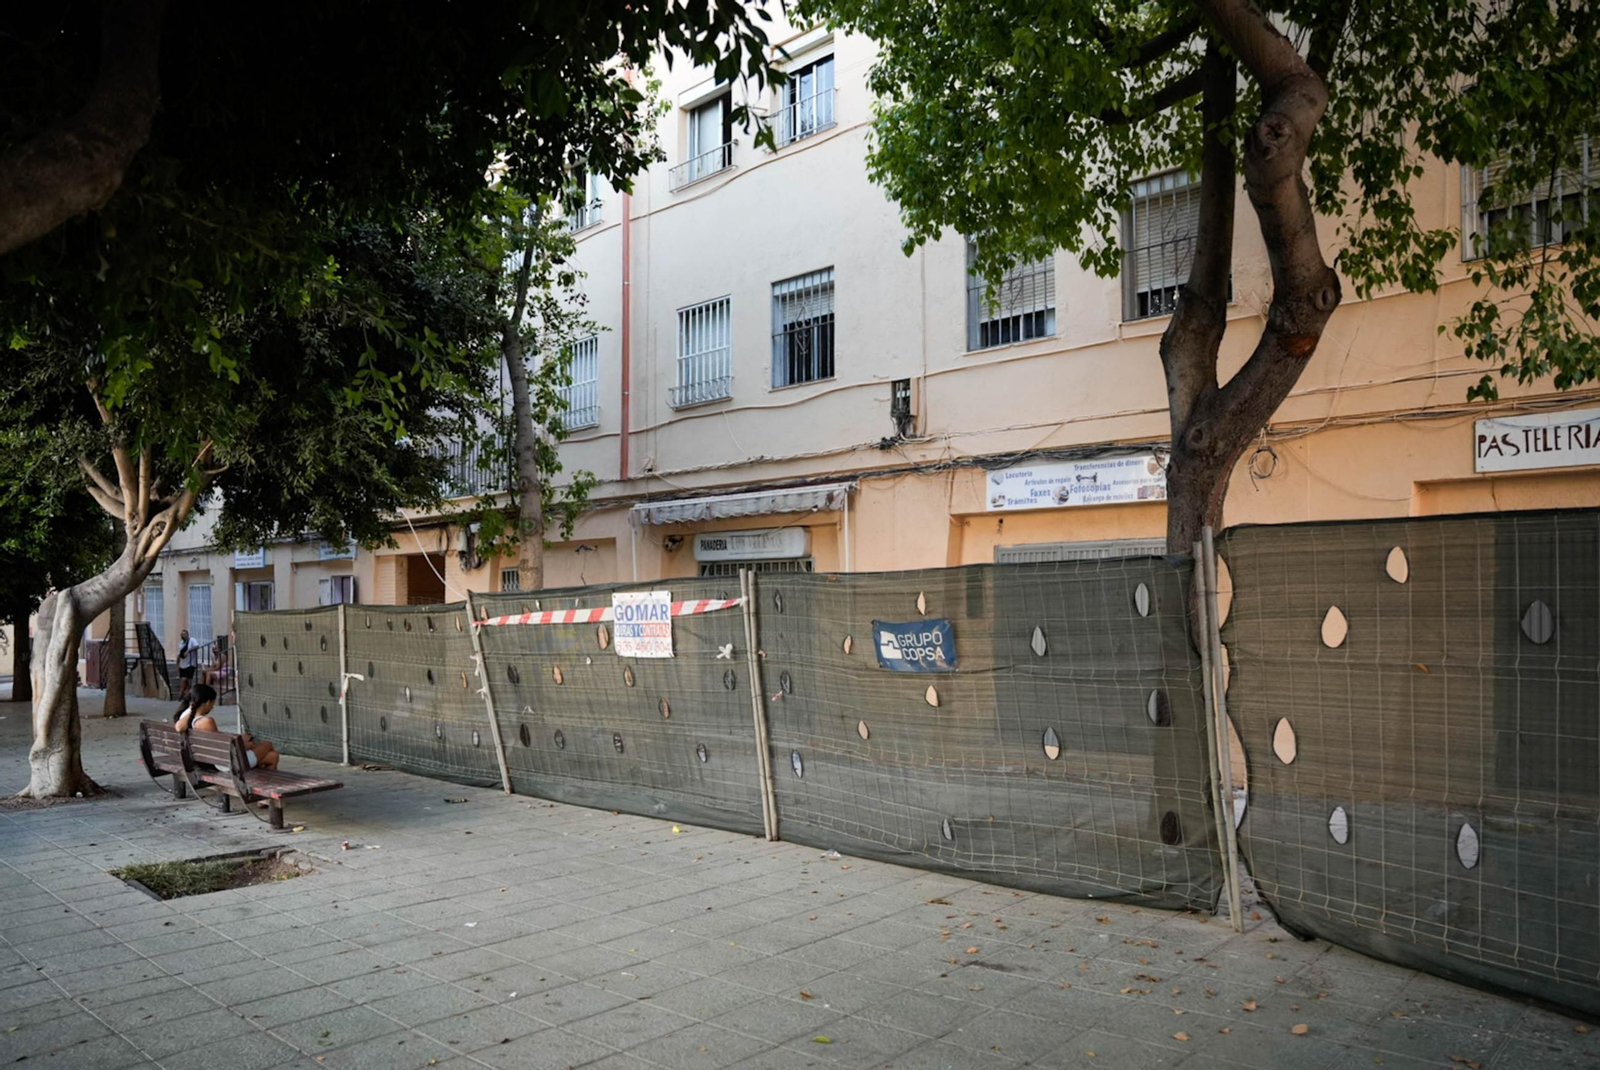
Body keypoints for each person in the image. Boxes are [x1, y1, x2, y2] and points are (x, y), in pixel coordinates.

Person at [174, 684, 280, 770]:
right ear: (207, 702)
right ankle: (258, 784)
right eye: (212, 704)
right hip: (225, 763)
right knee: (268, 745)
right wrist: (241, 742)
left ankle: (257, 781)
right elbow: (222, 748)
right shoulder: (206, 721)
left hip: (208, 760)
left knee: (272, 756)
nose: (212, 707)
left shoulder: (185, 715)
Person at [176, 629, 197, 699]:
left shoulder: (192, 640)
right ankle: (187, 693)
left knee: (185, 678)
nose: (183, 636)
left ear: (187, 634)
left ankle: (181, 692)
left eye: (184, 634)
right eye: (182, 635)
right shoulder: (181, 643)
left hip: (190, 663)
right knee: (185, 680)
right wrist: (177, 663)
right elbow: (179, 655)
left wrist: (188, 651)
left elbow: (197, 646)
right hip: (182, 664)